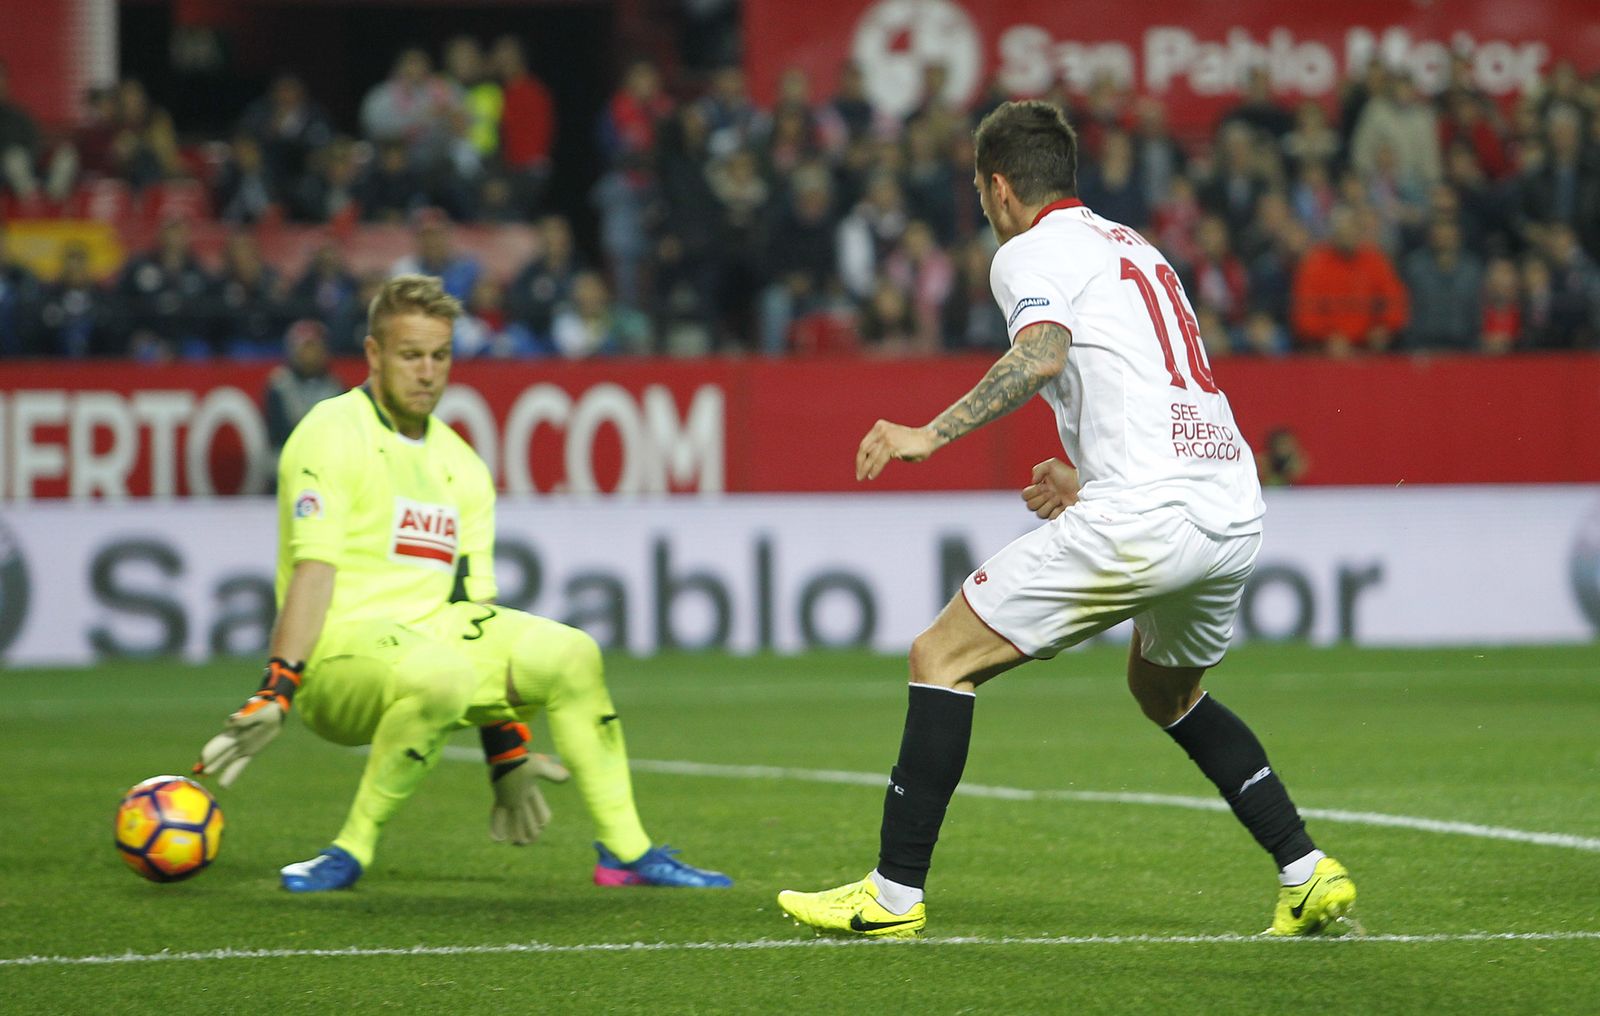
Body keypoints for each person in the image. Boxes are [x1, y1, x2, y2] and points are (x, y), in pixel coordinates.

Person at [777, 101, 1355, 940]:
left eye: (981, 193)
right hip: (1229, 506)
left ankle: (892, 897)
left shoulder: (1028, 253)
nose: (984, 210)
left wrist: (926, 434)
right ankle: (1308, 873)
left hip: (1147, 516)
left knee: (940, 656)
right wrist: (1089, 475)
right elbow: (1157, 385)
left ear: (1001, 187)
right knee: (1167, 690)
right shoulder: (1137, 248)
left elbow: (1041, 351)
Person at [193, 274, 730, 893]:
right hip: (338, 659)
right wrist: (278, 688)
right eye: (410, 355)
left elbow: (473, 616)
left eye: (439, 356)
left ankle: (626, 852)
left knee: (572, 653)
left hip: (432, 644)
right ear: (373, 355)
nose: (427, 372)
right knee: (442, 673)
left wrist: (507, 755)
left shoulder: (462, 467)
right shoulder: (330, 431)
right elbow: (314, 569)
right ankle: (349, 850)